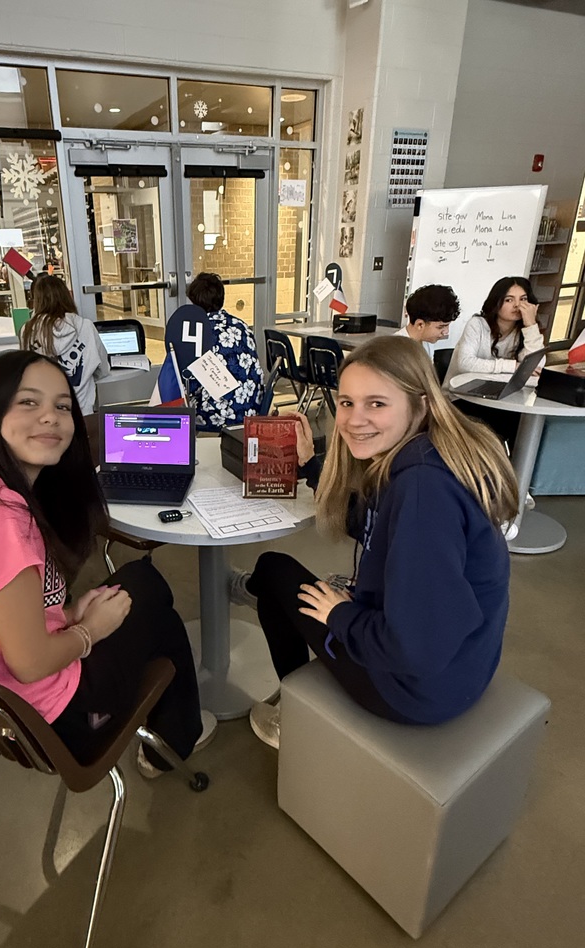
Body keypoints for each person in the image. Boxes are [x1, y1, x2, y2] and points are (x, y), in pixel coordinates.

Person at [0, 350, 210, 777]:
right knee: (159, 614)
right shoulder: (2, 523)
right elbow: (28, 663)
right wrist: (86, 631)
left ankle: (176, 733)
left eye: (62, 405)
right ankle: (173, 742)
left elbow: (1, 608)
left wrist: (62, 616)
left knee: (141, 580)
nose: (50, 417)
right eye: (29, 402)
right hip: (55, 720)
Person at [229, 335, 517, 749]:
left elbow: (415, 650)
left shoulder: (420, 491)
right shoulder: (431, 453)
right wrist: (311, 465)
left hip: (414, 690)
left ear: (420, 403)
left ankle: (289, 707)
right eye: (346, 402)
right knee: (286, 574)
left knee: (274, 572)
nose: (353, 419)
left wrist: (341, 616)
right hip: (467, 666)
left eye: (376, 404)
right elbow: (373, 522)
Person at [445, 276, 544, 451]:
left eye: (523, 300)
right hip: (462, 397)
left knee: (526, 426)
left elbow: (537, 365)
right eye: (509, 300)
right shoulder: (478, 324)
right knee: (508, 425)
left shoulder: (524, 330)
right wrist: (512, 366)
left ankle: (516, 471)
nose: (517, 306)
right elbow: (465, 363)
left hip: (503, 397)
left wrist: (530, 325)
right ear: (497, 302)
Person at [184, 272, 264, 432]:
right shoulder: (241, 326)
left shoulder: (198, 333)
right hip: (251, 409)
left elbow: (189, 383)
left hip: (216, 416)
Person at [20, 274, 109, 416]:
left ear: (37, 300)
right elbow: (103, 369)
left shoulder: (28, 330)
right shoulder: (85, 326)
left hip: (45, 414)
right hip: (82, 414)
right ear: (66, 296)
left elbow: (26, 374)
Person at [396, 284, 461, 360]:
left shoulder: (427, 343)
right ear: (420, 325)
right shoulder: (395, 350)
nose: (446, 332)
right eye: (440, 327)